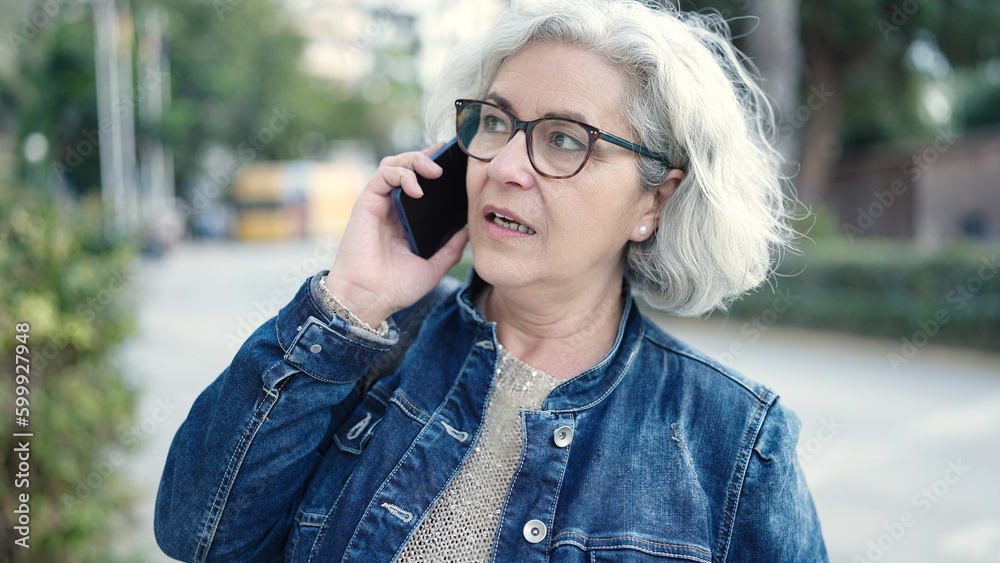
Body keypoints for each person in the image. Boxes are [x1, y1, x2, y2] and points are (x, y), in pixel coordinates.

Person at [155, 0, 828, 561]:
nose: (505, 165)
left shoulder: (736, 439)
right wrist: (353, 302)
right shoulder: (370, 345)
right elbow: (200, 534)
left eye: (564, 139)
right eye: (498, 122)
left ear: (654, 201)